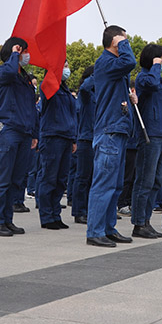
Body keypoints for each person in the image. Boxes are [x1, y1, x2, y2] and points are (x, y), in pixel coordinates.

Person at [86, 25, 136, 247]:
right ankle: (95, 231)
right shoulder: (106, 62)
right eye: (124, 39)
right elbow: (129, 62)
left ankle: (108, 228)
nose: (127, 43)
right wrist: (121, 42)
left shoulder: (115, 68)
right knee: (104, 184)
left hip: (118, 130)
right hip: (109, 131)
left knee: (115, 185)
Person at [0, 38, 37, 236]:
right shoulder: (2, 71)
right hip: (7, 130)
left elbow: (31, 108)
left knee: (16, 180)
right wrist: (14, 55)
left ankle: (7, 220)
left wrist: (34, 133)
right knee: (2, 178)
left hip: (24, 132)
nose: (26, 55)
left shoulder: (24, 78)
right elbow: (8, 72)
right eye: (23, 51)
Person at [131, 44, 162, 239]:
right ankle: (139, 222)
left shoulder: (159, 79)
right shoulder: (145, 77)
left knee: (158, 180)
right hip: (150, 135)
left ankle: (146, 220)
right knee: (145, 180)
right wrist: (155, 66)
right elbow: (150, 84)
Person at [36, 61, 77, 230]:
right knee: (49, 178)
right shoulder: (49, 86)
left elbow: (72, 116)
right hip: (52, 137)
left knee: (61, 180)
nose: (66, 68)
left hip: (66, 137)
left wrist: (74, 139)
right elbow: (46, 91)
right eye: (64, 64)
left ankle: (55, 214)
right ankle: (46, 216)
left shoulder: (66, 90)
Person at [72, 65, 95, 224]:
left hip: (97, 138)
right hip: (85, 138)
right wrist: (96, 75)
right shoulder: (85, 94)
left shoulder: (99, 95)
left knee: (93, 178)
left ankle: (88, 209)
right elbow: (85, 88)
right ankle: (79, 211)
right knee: (82, 176)